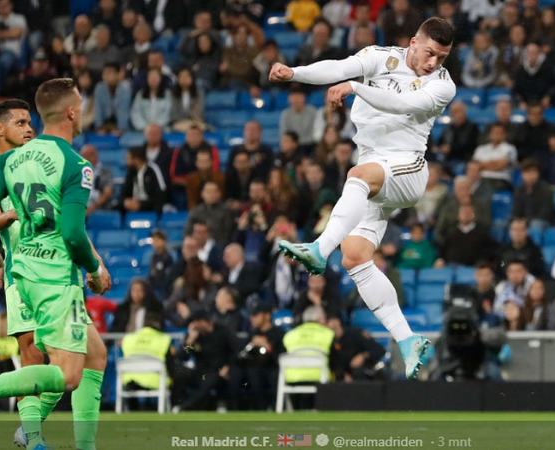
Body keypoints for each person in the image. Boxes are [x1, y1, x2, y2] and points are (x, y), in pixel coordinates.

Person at [269, 17, 456, 379]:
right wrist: (294, 72)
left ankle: (319, 249)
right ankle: (407, 339)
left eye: (442, 57)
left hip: (407, 169)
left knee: (356, 176)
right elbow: (337, 67)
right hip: (375, 169)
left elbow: (398, 106)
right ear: (414, 41)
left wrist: (354, 87)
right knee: (355, 258)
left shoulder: (442, 87)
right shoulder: (379, 56)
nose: (434, 63)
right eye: (430, 53)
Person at [0, 79, 113, 449]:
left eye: (30, 121)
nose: (28, 128)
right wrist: (9, 223)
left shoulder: (35, 162)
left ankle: (62, 437)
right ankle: (31, 436)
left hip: (54, 270)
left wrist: (95, 260)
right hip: (26, 274)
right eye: (19, 123)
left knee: (93, 356)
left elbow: (68, 222)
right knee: (36, 355)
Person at [172, 309, 240, 412]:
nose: (192, 325)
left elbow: (237, 351)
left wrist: (228, 366)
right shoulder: (194, 336)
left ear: (204, 321)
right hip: (200, 372)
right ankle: (177, 403)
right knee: (180, 374)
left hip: (220, 372)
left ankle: (187, 407)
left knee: (212, 378)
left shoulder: (223, 331)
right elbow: (181, 357)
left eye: (195, 321)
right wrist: (190, 341)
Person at [119, 313, 176, 410]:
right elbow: (171, 365)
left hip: (130, 378)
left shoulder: (128, 338)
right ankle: (175, 406)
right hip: (156, 379)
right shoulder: (163, 339)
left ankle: (132, 410)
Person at [328, 315, 386, 381]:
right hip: (346, 382)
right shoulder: (331, 343)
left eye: (333, 329)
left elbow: (379, 350)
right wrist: (343, 375)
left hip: (367, 377)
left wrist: (363, 356)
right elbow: (333, 364)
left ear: (338, 323)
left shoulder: (356, 334)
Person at [513, 159, 555, 229]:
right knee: (510, 224)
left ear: (538, 174)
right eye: (527, 172)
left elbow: (545, 213)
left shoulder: (546, 189)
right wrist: (517, 220)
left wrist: (526, 221)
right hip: (524, 221)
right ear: (522, 174)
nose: (530, 176)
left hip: (543, 221)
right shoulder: (519, 190)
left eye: (533, 172)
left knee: (536, 224)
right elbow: (515, 210)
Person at [121, 147, 168, 213]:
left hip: (150, 208)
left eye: (128, 158)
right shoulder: (131, 172)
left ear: (137, 159)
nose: (126, 162)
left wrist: (141, 204)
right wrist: (125, 201)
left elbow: (161, 195)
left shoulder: (153, 170)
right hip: (133, 206)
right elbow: (123, 193)